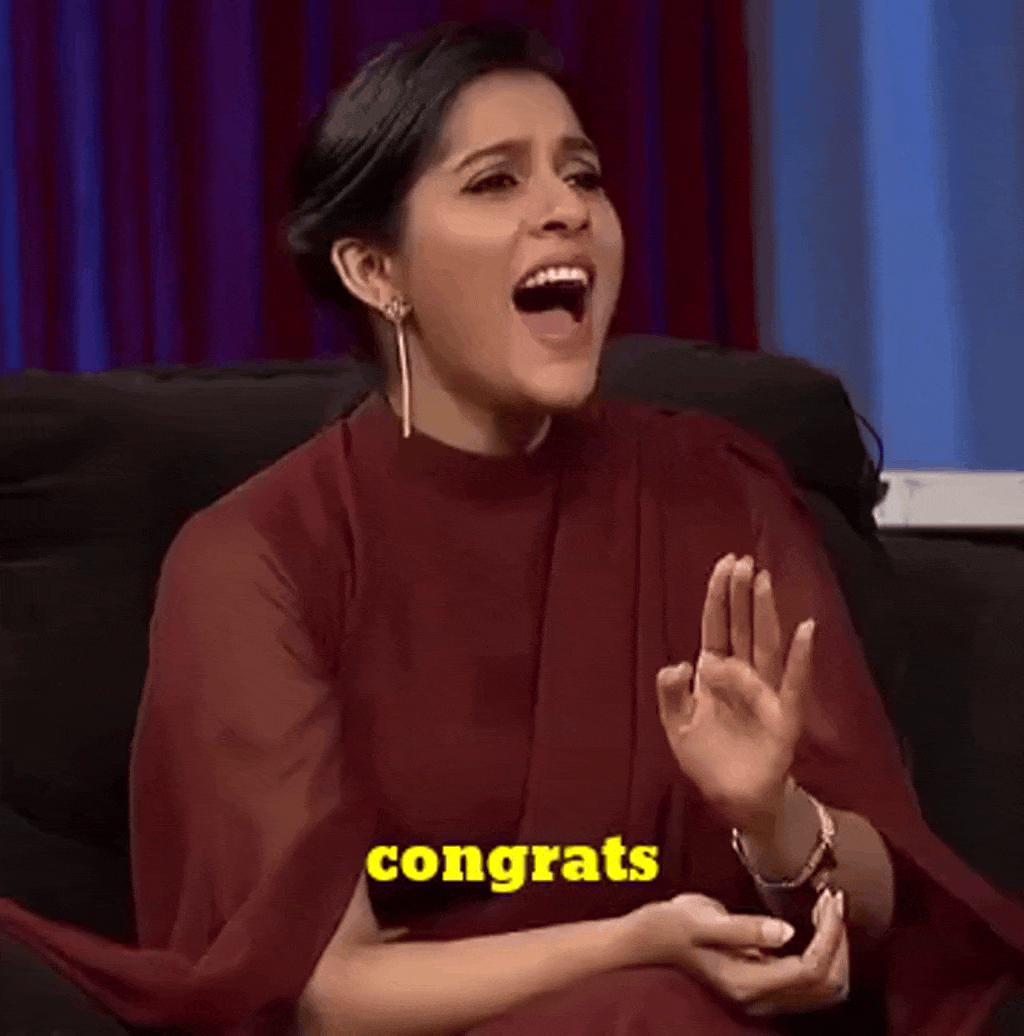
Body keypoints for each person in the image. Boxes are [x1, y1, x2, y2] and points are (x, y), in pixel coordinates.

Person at [2, 18, 1023, 1036]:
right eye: (495, 182)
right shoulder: (253, 560)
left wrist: (773, 819)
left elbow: (891, 907)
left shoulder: (717, 491)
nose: (566, 210)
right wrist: (631, 944)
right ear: (374, 271)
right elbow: (321, 990)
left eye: (583, 177)